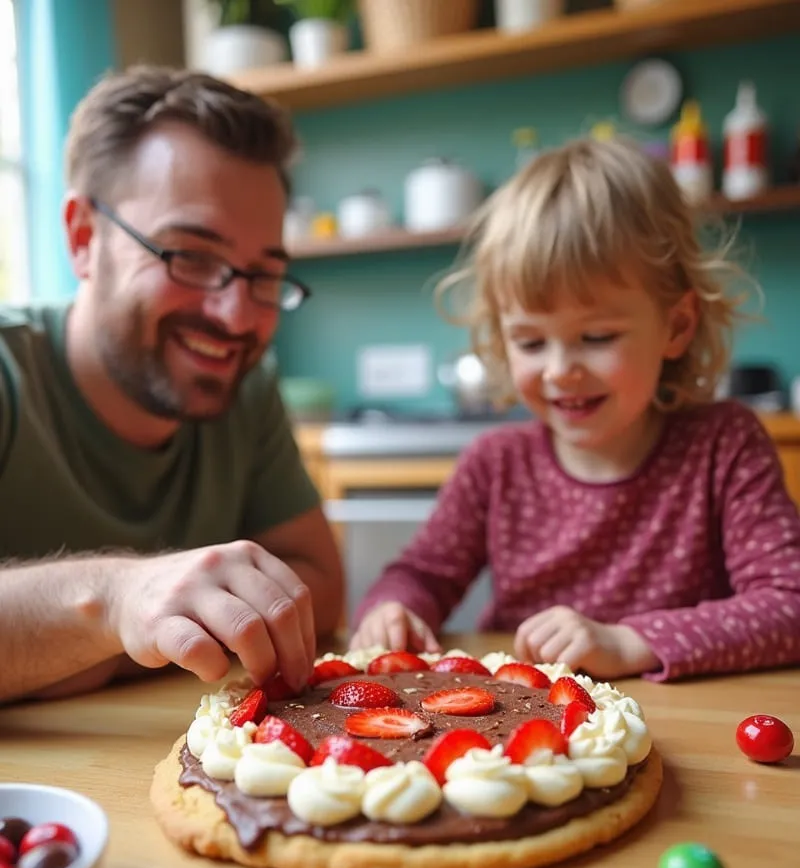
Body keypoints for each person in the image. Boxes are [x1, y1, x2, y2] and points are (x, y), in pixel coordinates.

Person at [350, 136, 800, 681]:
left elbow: (789, 604)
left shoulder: (724, 446)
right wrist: (392, 609)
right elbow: (421, 574)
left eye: (597, 336)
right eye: (531, 342)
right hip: (526, 717)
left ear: (677, 326)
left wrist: (630, 641)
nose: (560, 370)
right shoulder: (495, 464)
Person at [0, 66, 343, 704]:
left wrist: (73, 655)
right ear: (83, 238)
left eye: (264, 276)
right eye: (190, 256)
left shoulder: (246, 387)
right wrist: (115, 605)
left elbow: (318, 583)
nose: (235, 318)